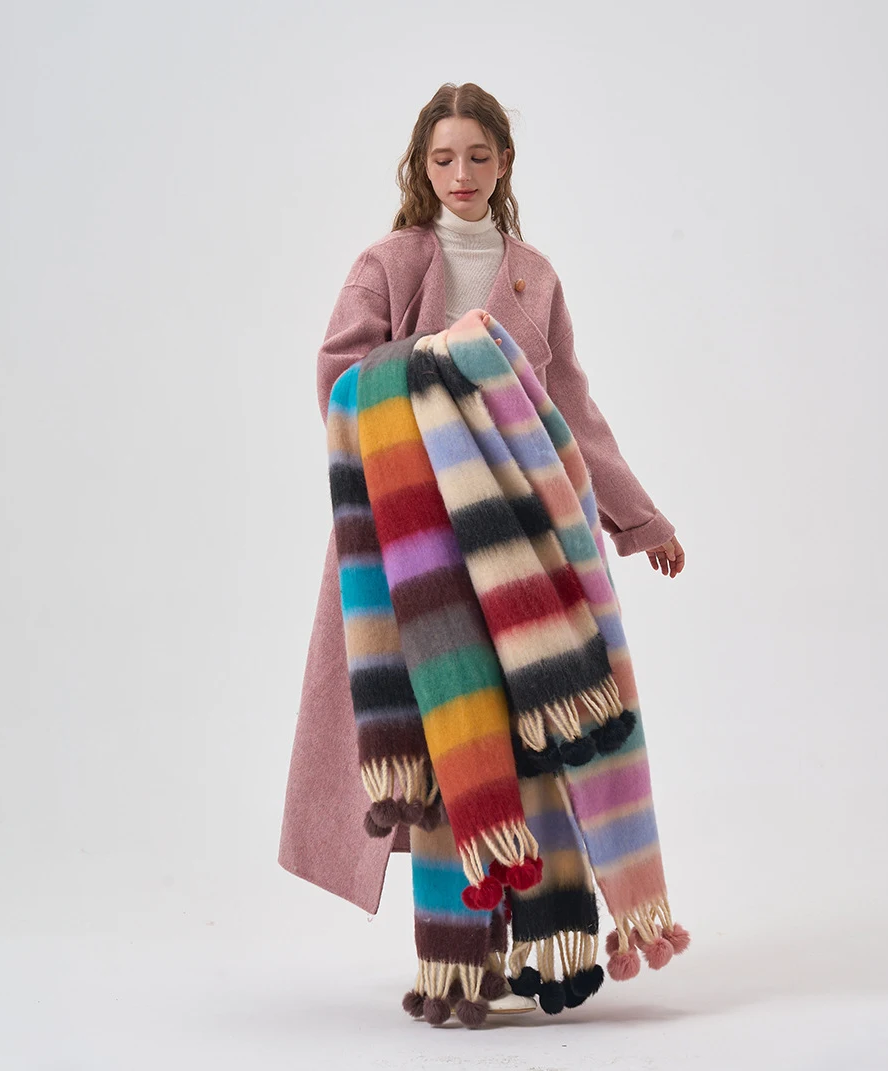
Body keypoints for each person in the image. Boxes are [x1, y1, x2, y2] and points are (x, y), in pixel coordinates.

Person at [278, 82, 685, 1015]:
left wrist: (640, 521)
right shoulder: (386, 263)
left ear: (503, 163)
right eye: (442, 158)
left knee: (536, 726)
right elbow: (339, 379)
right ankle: (459, 955)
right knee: (448, 737)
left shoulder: (534, 275)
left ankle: (540, 935)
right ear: (420, 168)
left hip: (526, 542)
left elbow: (570, 407)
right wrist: (443, 365)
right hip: (418, 544)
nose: (460, 174)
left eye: (476, 156)